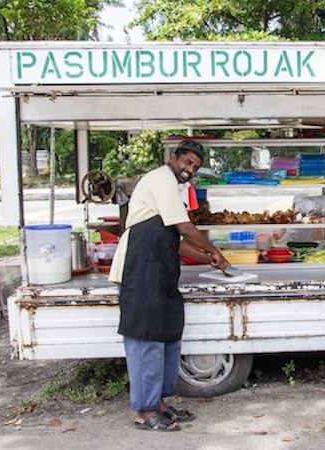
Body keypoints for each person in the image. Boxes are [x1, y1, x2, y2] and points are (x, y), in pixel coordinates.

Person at [109, 139, 229, 432]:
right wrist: (215, 252)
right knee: (145, 339)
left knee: (167, 336)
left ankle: (159, 403)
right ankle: (144, 410)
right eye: (187, 162)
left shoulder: (174, 189)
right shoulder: (160, 179)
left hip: (161, 273)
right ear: (173, 158)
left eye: (195, 167)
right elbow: (185, 229)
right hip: (139, 271)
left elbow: (176, 242)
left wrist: (205, 257)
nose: (190, 169)